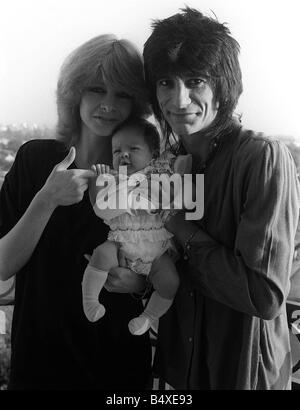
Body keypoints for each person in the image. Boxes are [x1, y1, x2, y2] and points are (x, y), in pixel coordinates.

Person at [142, 7, 300, 389]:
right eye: (165, 82)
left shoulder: (261, 158)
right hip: (183, 367)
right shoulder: (169, 162)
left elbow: (264, 296)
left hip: (242, 370)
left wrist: (181, 225)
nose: (179, 100)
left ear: (224, 85)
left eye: (195, 80)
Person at [0, 34, 153, 390]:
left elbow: (162, 264)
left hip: (117, 363)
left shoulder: (144, 178)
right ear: (75, 92)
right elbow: (4, 265)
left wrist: (139, 284)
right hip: (40, 361)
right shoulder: (34, 160)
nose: (109, 105)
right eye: (97, 89)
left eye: (123, 94)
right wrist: (46, 198)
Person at [82, 117, 190, 336]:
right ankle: (90, 300)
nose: (124, 154)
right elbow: (100, 209)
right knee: (101, 255)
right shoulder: (111, 178)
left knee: (170, 281)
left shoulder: (160, 175)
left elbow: (179, 193)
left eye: (133, 148)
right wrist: (98, 183)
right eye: (116, 151)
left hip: (156, 248)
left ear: (153, 154)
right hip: (122, 243)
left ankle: (148, 317)